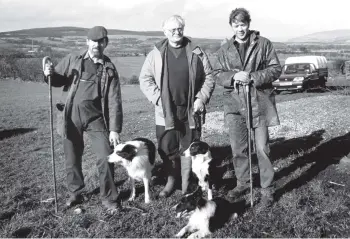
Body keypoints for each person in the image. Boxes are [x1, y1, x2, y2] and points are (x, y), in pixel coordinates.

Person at [43, 26, 123, 210]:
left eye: (101, 41)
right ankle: (76, 193)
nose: (97, 44)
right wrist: (48, 74)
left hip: (96, 118)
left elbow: (114, 100)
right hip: (70, 116)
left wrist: (114, 129)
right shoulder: (73, 59)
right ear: (87, 42)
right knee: (72, 157)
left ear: (106, 43)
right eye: (93, 41)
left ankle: (109, 198)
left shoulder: (109, 68)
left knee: (105, 156)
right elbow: (57, 80)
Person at [139, 15, 215, 197]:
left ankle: (187, 184)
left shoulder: (196, 52)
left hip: (190, 109)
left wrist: (201, 99)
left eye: (179, 28)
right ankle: (171, 181)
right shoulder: (156, 53)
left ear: (183, 29)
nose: (176, 32)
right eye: (172, 30)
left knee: (189, 147)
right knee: (167, 147)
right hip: (165, 112)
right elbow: (145, 79)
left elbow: (209, 77)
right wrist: (158, 99)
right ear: (165, 32)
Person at [214, 8, 282, 207]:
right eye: (236, 25)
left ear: (249, 24)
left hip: (259, 103)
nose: (240, 28)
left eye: (243, 24)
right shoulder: (224, 49)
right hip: (234, 105)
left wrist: (252, 76)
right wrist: (233, 76)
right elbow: (217, 74)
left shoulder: (264, 44)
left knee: (262, 148)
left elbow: (275, 69)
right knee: (238, 149)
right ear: (231, 26)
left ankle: (267, 188)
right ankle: (243, 183)